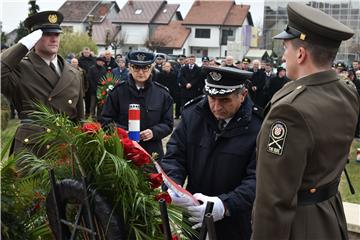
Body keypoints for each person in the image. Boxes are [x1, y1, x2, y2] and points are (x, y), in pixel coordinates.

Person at [252, 3, 359, 240]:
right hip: (329, 215)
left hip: (299, 227)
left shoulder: (289, 112)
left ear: (301, 54)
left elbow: (274, 202)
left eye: (286, 48)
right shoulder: (346, 91)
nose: (283, 55)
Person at [161, 66, 261, 240]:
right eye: (212, 98)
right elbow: (175, 156)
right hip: (194, 217)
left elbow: (258, 178)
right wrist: (173, 186)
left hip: (236, 222)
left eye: (224, 100)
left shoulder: (258, 127)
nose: (216, 106)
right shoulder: (194, 115)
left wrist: (225, 205)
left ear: (243, 95)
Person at [1, 11, 84, 156]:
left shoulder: (74, 73)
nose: (53, 39)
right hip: (31, 148)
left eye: (57, 34)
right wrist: (24, 45)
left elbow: (78, 119)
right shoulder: (20, 68)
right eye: (46, 34)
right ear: (34, 38)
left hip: (63, 148)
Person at [101, 51, 173, 160]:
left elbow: (168, 124)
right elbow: (106, 120)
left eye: (145, 68)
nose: (140, 72)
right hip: (123, 152)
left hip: (152, 152)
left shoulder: (162, 94)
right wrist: (124, 133)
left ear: (151, 68)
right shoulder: (118, 92)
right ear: (129, 67)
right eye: (136, 68)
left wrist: (153, 132)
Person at [78, 47, 96, 117]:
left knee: (92, 99)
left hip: (92, 80)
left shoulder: (93, 59)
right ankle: (86, 113)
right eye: (85, 52)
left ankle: (92, 114)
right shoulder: (80, 60)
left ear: (90, 52)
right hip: (84, 81)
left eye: (87, 52)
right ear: (83, 53)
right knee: (85, 98)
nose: (86, 54)